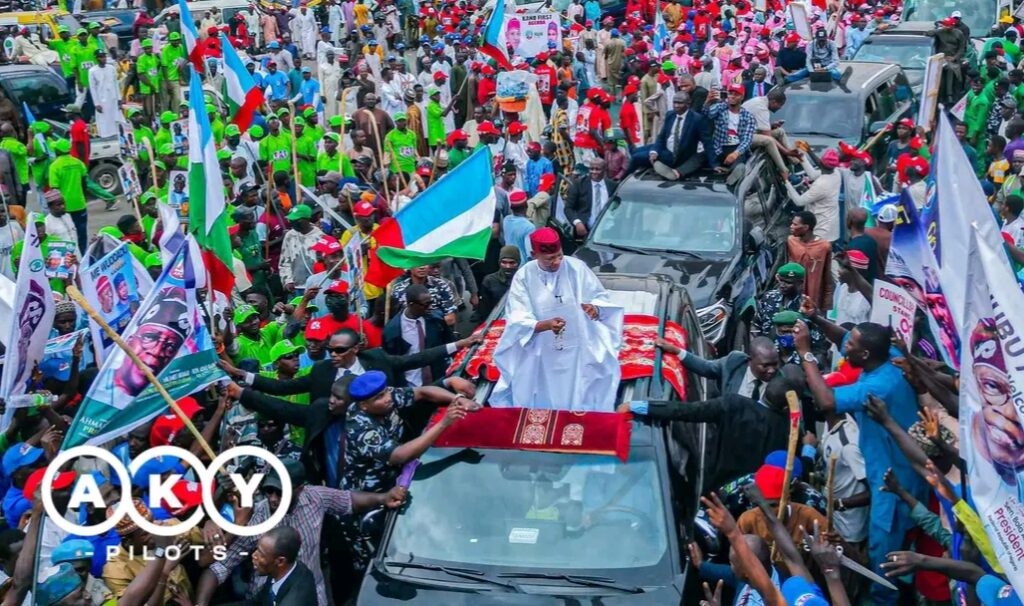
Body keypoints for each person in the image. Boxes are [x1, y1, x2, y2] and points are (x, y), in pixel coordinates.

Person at [491, 227, 624, 411]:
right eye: (550, 259)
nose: (557, 262)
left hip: (578, 345)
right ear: (533, 254)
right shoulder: (524, 276)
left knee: (588, 380)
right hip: (540, 348)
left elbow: (599, 296)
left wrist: (595, 308)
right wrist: (544, 325)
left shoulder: (577, 268)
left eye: (559, 256)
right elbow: (517, 315)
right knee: (536, 386)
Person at [622, 374, 795, 493]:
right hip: (758, 497)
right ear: (787, 406)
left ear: (765, 390)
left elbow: (687, 411)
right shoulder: (788, 431)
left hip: (715, 491)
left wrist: (640, 406)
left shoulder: (733, 404)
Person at [381, 284, 457, 387]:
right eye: (426, 304)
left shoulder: (436, 320)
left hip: (438, 379)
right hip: (410, 384)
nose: (430, 307)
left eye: (431, 302)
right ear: (411, 304)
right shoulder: (392, 331)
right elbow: (391, 363)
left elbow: (450, 344)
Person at [628, 92, 715, 179]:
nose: (676, 105)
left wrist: (714, 164)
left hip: (674, 156)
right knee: (635, 151)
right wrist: (654, 151)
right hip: (664, 148)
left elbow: (707, 143)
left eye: (680, 103)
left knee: (636, 157)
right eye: (674, 102)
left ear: (688, 103)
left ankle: (622, 180)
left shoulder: (697, 119)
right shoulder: (670, 114)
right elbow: (661, 137)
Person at [248, 526, 318, 605]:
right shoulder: (286, 570)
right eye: (257, 549)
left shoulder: (293, 600)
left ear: (280, 561)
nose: (254, 555)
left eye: (262, 555)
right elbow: (256, 603)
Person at [787, 211, 835, 310]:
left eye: (795, 224)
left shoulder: (823, 247)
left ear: (806, 227)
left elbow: (827, 277)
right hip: (794, 295)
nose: (791, 226)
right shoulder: (791, 242)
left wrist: (826, 304)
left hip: (814, 298)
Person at [565, 157, 615, 242]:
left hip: (608, 231)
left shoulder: (612, 186)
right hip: (585, 232)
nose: (594, 172)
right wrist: (577, 222)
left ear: (604, 170)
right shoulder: (579, 184)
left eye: (597, 169)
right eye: (591, 169)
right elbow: (568, 208)